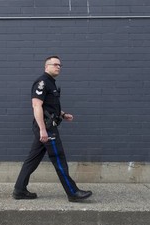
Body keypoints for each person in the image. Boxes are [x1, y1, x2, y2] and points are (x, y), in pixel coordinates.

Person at [13, 56, 93, 202]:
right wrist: (43, 130)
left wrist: (63, 114)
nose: (58, 67)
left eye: (60, 65)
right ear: (46, 66)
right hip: (47, 128)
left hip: (47, 126)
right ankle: (73, 192)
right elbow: (36, 106)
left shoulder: (51, 83)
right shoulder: (42, 82)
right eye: (55, 64)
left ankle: (19, 190)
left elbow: (48, 106)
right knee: (59, 158)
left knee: (32, 160)